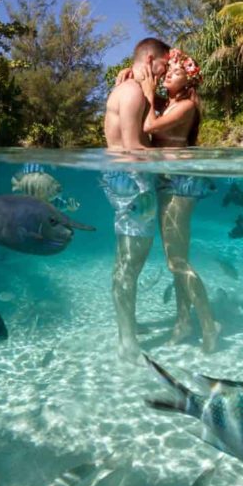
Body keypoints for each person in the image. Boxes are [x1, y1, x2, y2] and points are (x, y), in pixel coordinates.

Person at [121, 48, 220, 352]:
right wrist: (130, 77)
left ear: (189, 83)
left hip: (181, 182)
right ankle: (183, 322)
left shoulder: (187, 106)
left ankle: (208, 326)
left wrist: (149, 94)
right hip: (166, 180)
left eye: (176, 73)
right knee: (174, 260)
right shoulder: (170, 102)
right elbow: (146, 90)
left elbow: (149, 126)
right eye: (168, 71)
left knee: (178, 260)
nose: (167, 76)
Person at [102, 37, 170, 362]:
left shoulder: (134, 89)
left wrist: (150, 96)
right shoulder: (130, 91)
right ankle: (126, 339)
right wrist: (175, 159)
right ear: (150, 58)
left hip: (124, 180)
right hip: (131, 181)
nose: (166, 71)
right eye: (164, 65)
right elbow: (133, 148)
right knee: (130, 266)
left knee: (127, 263)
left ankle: (128, 326)